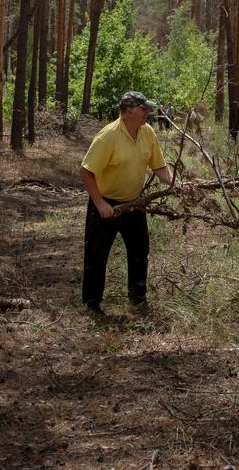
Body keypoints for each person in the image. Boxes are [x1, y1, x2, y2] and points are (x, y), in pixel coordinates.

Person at [79, 90, 181, 316]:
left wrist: (177, 183)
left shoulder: (147, 132)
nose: (148, 113)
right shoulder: (108, 136)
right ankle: (92, 304)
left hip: (134, 204)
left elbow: (159, 167)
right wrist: (100, 204)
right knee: (97, 255)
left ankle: (137, 300)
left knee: (139, 251)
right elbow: (86, 172)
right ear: (128, 112)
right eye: (144, 109)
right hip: (106, 205)